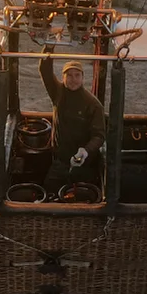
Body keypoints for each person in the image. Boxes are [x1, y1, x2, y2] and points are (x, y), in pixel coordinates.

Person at [38, 55, 105, 194]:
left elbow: (99, 135)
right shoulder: (58, 92)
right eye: (69, 75)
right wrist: (49, 47)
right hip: (60, 162)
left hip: (84, 164)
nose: (73, 79)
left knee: (83, 197)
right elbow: (44, 69)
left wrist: (85, 151)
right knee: (48, 193)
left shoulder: (93, 104)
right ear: (63, 78)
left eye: (77, 75)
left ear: (82, 77)